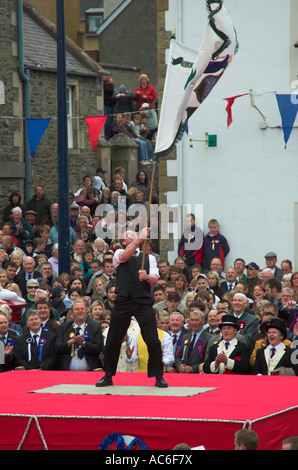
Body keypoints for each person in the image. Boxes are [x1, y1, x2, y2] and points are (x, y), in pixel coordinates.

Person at [96, 227, 168, 388]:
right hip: (123, 300)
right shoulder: (118, 253)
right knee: (114, 338)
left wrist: (147, 277)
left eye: (137, 235)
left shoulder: (148, 258)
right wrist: (139, 239)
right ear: (125, 241)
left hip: (143, 301)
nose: (136, 237)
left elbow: (155, 279)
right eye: (132, 236)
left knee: (152, 339)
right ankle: (108, 375)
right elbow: (124, 256)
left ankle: (158, 375)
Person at [56, 298, 104, 371]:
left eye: (82, 309)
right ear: (71, 313)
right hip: (67, 372)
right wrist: (70, 342)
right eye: (77, 309)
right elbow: (57, 348)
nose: (80, 311)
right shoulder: (64, 326)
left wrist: (84, 343)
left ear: (87, 311)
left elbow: (98, 348)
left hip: (90, 371)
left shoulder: (95, 326)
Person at [174, 309, 211, 374]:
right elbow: (178, 357)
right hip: (184, 375)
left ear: (203, 321)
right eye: (192, 320)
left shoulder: (209, 339)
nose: (194, 323)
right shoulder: (185, 337)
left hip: (199, 375)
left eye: (196, 320)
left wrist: (192, 369)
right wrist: (179, 366)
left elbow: (208, 361)